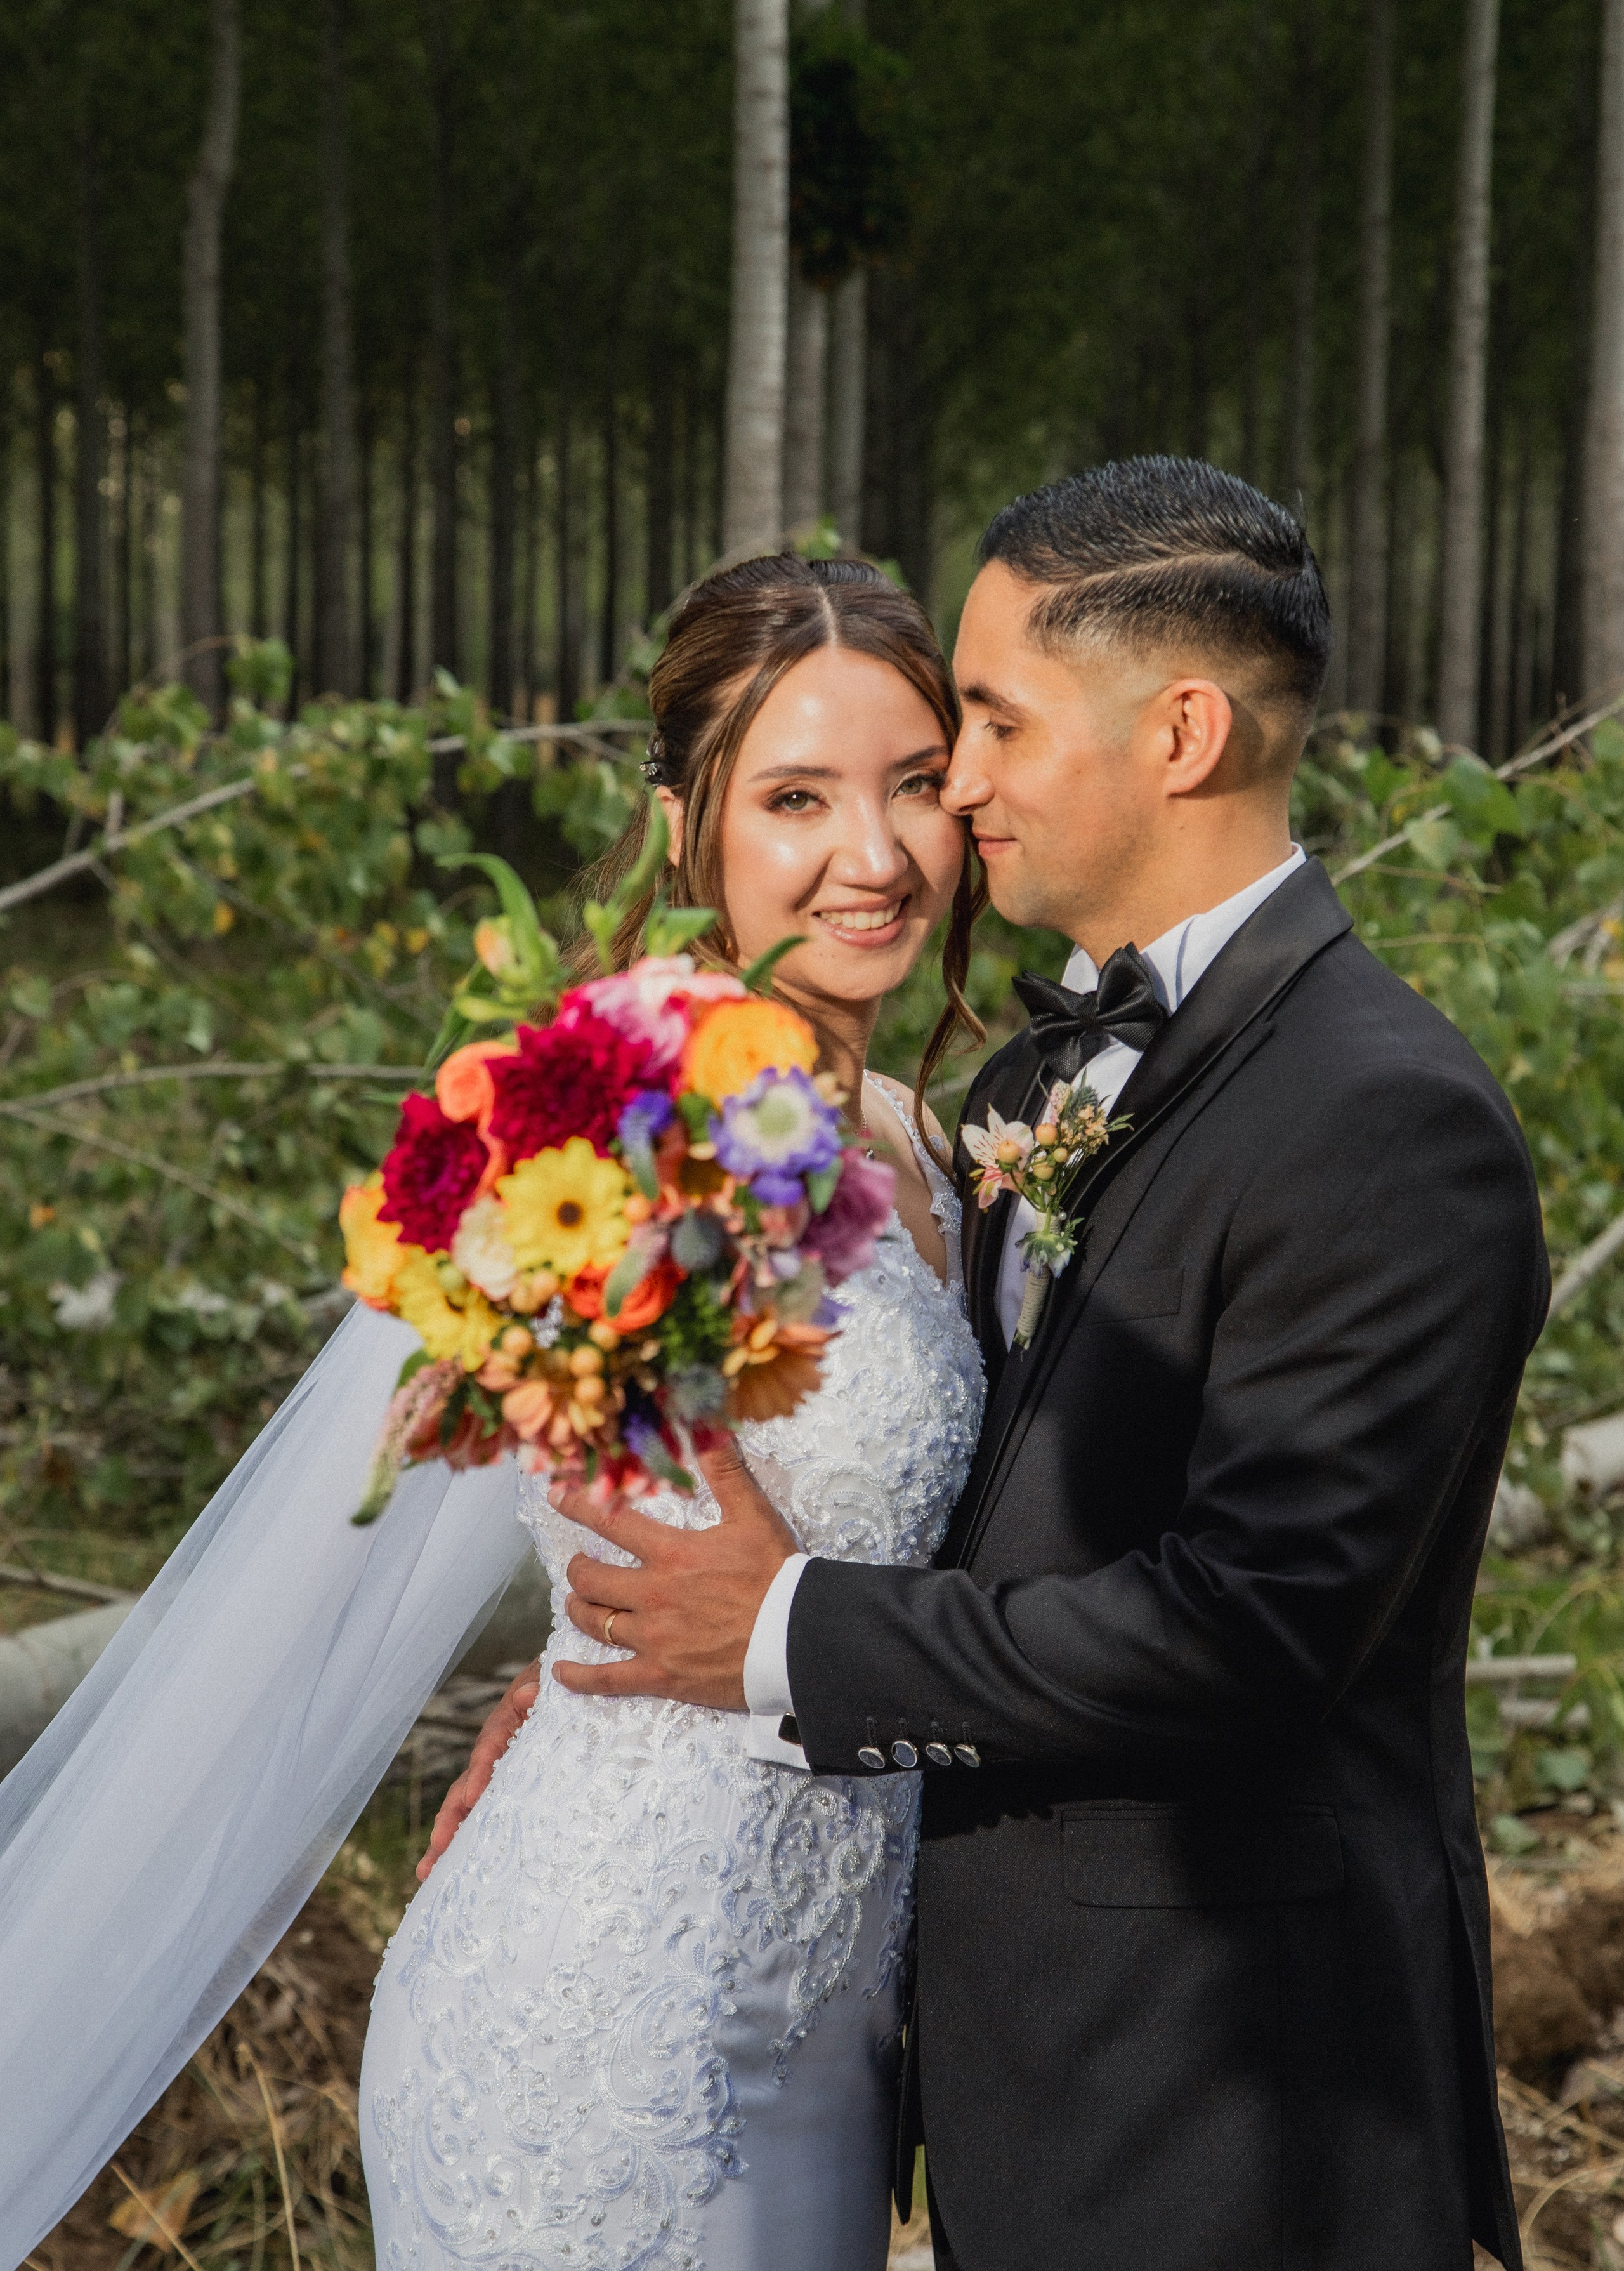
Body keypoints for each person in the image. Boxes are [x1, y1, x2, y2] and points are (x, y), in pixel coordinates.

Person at [470, 460, 1549, 2271]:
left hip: (1236, 2104)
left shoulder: (1389, 1118)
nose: (949, 795)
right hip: (951, 2056)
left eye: (985, 724)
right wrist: (586, 1688)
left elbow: (1256, 1626)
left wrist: (777, 1629)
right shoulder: (1020, 1098)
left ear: (1183, 731)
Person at [0, 552, 987, 2271]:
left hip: (826, 2016)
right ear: (688, 829)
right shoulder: (628, 1097)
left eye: (916, 786)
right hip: (612, 2023)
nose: (877, 854)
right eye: (799, 798)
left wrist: (700, 1632)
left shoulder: (913, 1132)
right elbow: (521, 1438)